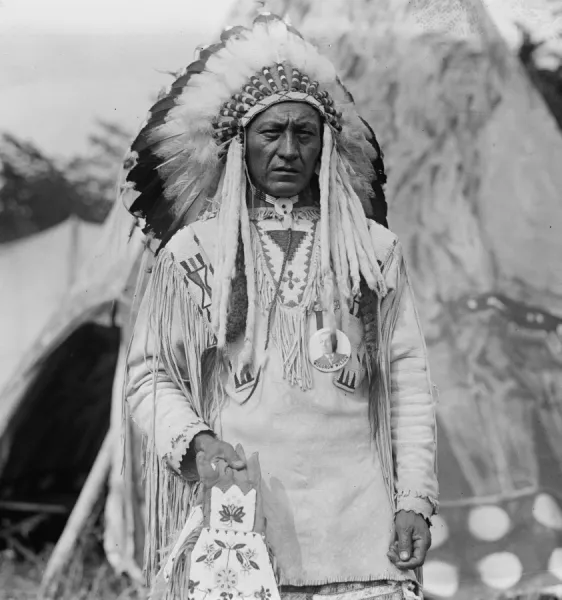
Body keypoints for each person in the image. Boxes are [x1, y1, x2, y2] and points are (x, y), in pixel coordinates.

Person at [122, 13, 438, 600]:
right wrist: (195, 442)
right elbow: (149, 375)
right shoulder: (193, 253)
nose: (289, 150)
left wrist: (415, 500)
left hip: (359, 530)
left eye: (304, 133)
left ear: (325, 145)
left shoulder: (372, 250)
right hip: (241, 527)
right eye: (271, 133)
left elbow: (407, 380)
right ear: (240, 144)